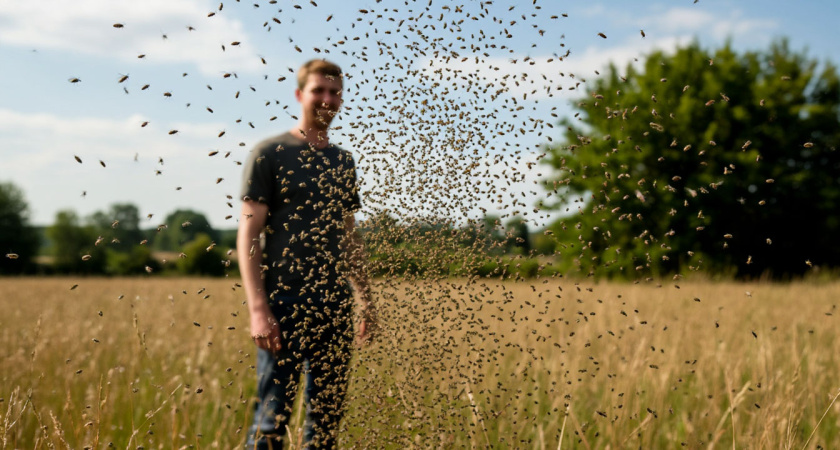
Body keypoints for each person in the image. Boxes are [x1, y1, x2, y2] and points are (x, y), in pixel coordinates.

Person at [238, 59, 375, 449]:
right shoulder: (271, 152)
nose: (327, 99)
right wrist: (258, 309)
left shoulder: (342, 160)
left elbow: (349, 237)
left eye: (334, 92)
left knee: (326, 425)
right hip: (284, 304)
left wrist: (365, 299)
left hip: (334, 305)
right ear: (300, 95)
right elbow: (248, 233)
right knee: (270, 424)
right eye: (318, 90)